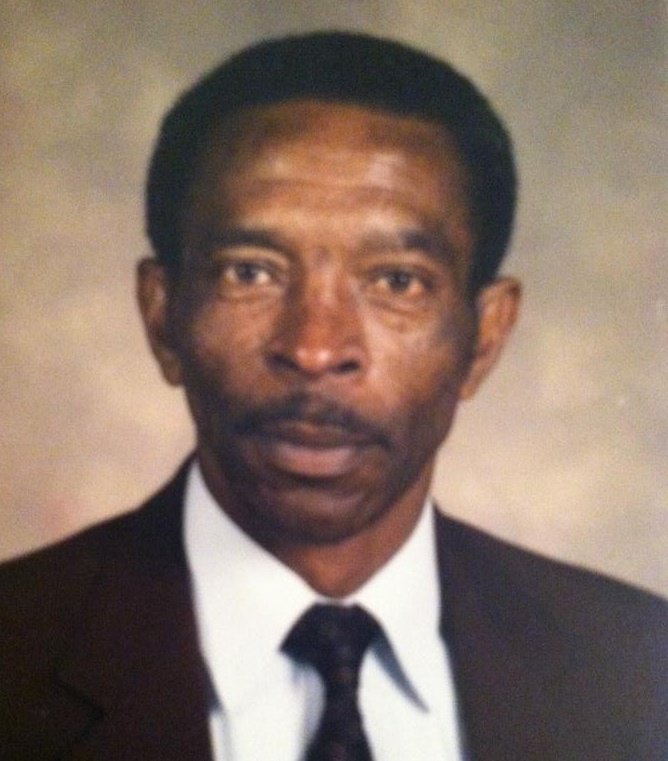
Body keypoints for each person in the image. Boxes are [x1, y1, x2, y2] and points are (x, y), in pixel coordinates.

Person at [0, 31, 666, 761]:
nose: (316, 349)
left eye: (397, 281)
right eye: (251, 272)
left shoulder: (635, 667)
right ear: (162, 316)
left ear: (485, 336)